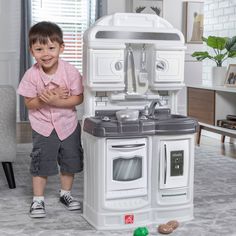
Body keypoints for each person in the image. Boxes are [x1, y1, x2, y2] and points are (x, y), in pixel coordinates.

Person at [17, 21, 84, 218]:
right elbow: (29, 103)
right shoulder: (31, 75)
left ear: (61, 48)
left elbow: (78, 98)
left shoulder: (70, 72)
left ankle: (66, 194)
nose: (45, 53)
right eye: (39, 49)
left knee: (69, 160)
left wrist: (55, 100)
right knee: (41, 161)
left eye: (51, 48)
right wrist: (42, 99)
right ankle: (38, 199)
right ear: (32, 51)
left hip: (68, 124)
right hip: (43, 125)